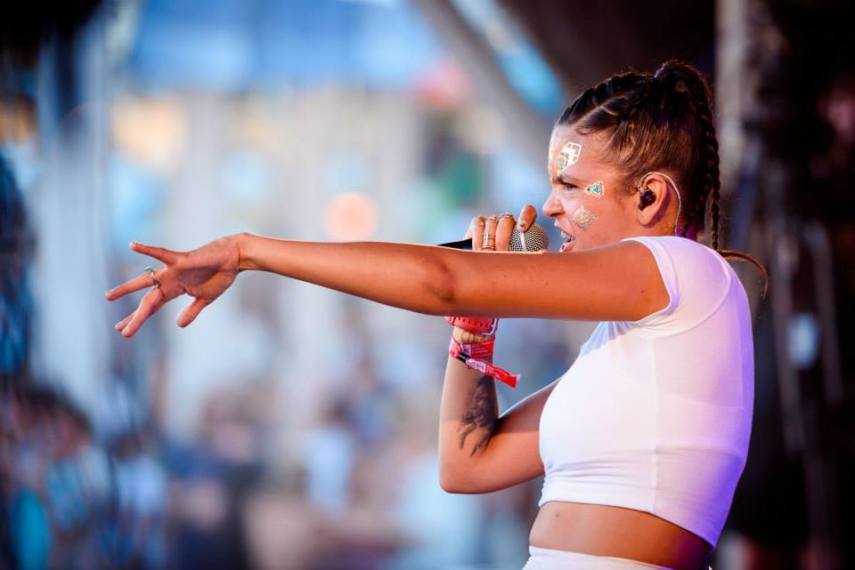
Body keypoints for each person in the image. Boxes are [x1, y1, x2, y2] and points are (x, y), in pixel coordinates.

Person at [106, 60, 765, 570]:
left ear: (650, 197)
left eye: (568, 184)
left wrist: (252, 250)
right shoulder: (629, 348)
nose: (549, 206)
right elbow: (465, 463)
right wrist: (477, 322)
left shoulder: (684, 271)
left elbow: (441, 280)